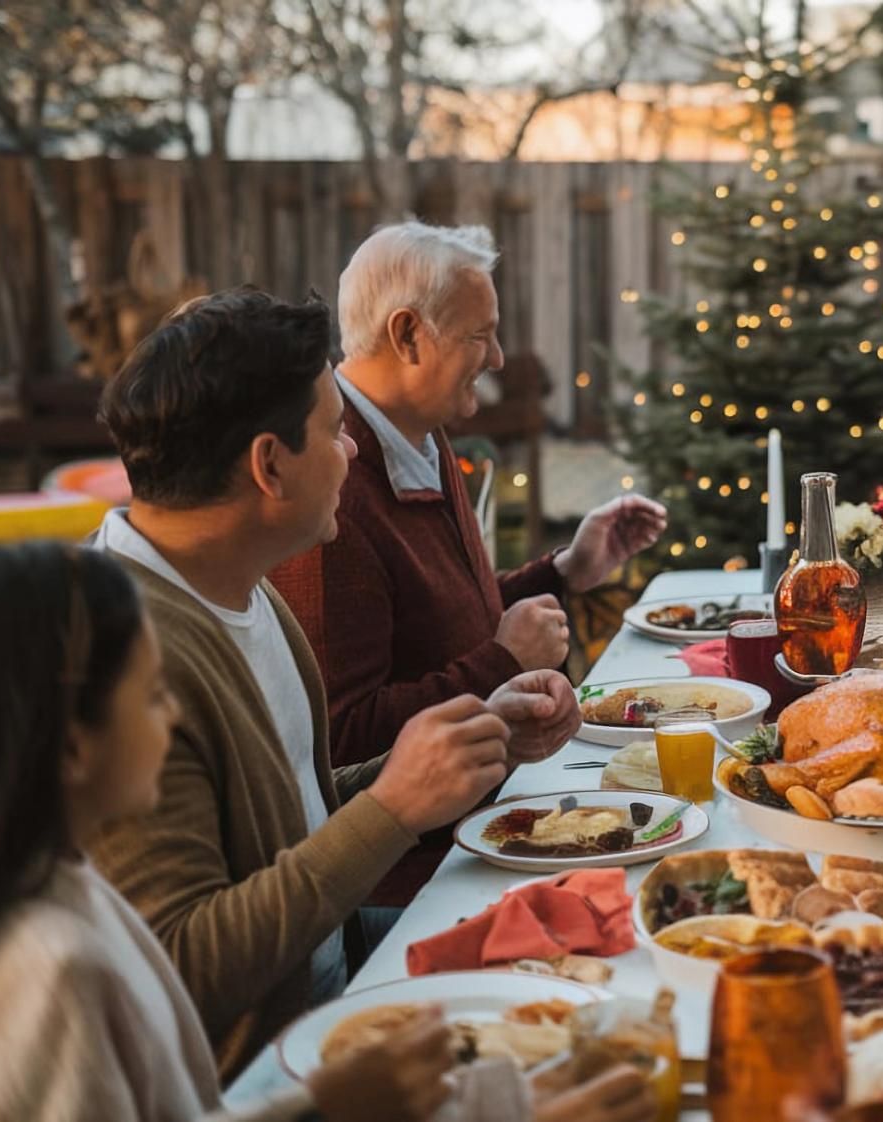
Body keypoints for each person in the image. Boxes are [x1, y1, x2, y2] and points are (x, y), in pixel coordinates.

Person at [88, 286, 582, 1077]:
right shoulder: (118, 654)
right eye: (333, 432)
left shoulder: (244, 589)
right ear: (270, 465)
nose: (352, 451)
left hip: (335, 999)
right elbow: (180, 965)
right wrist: (392, 808)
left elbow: (298, 813)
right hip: (251, 1080)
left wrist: (472, 743)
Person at [0, 544, 437, 1121]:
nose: (171, 716)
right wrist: (327, 1109)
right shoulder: (50, 972)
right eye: (153, 694)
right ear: (72, 746)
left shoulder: (41, 878)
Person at [271, 223, 666, 905]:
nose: (501, 357)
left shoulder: (419, 439)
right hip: (417, 886)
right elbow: (338, 740)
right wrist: (500, 666)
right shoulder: (333, 492)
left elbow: (444, 626)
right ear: (407, 335)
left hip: (482, 821)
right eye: (479, 337)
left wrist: (565, 571)